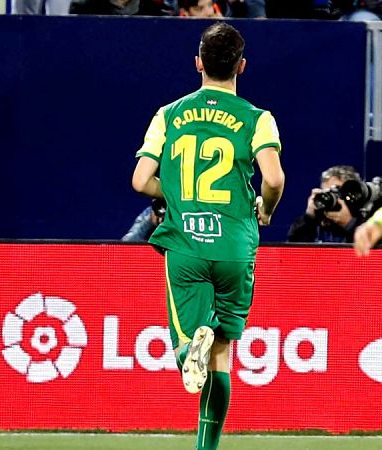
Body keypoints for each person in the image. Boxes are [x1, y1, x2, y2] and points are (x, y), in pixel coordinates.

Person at [131, 22, 284, 450]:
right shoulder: (258, 119)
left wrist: (178, 195)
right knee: (221, 355)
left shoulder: (169, 114)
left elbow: (141, 180)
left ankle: (186, 353)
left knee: (189, 344)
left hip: (187, 245)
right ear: (242, 66)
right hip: (235, 246)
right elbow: (273, 178)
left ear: (198, 63)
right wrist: (266, 209)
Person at [287, 165, 362, 243]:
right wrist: (309, 217)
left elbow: (365, 246)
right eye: (327, 193)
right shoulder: (318, 219)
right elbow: (294, 247)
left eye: (337, 192)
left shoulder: (365, 220)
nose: (332, 197)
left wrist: (348, 223)